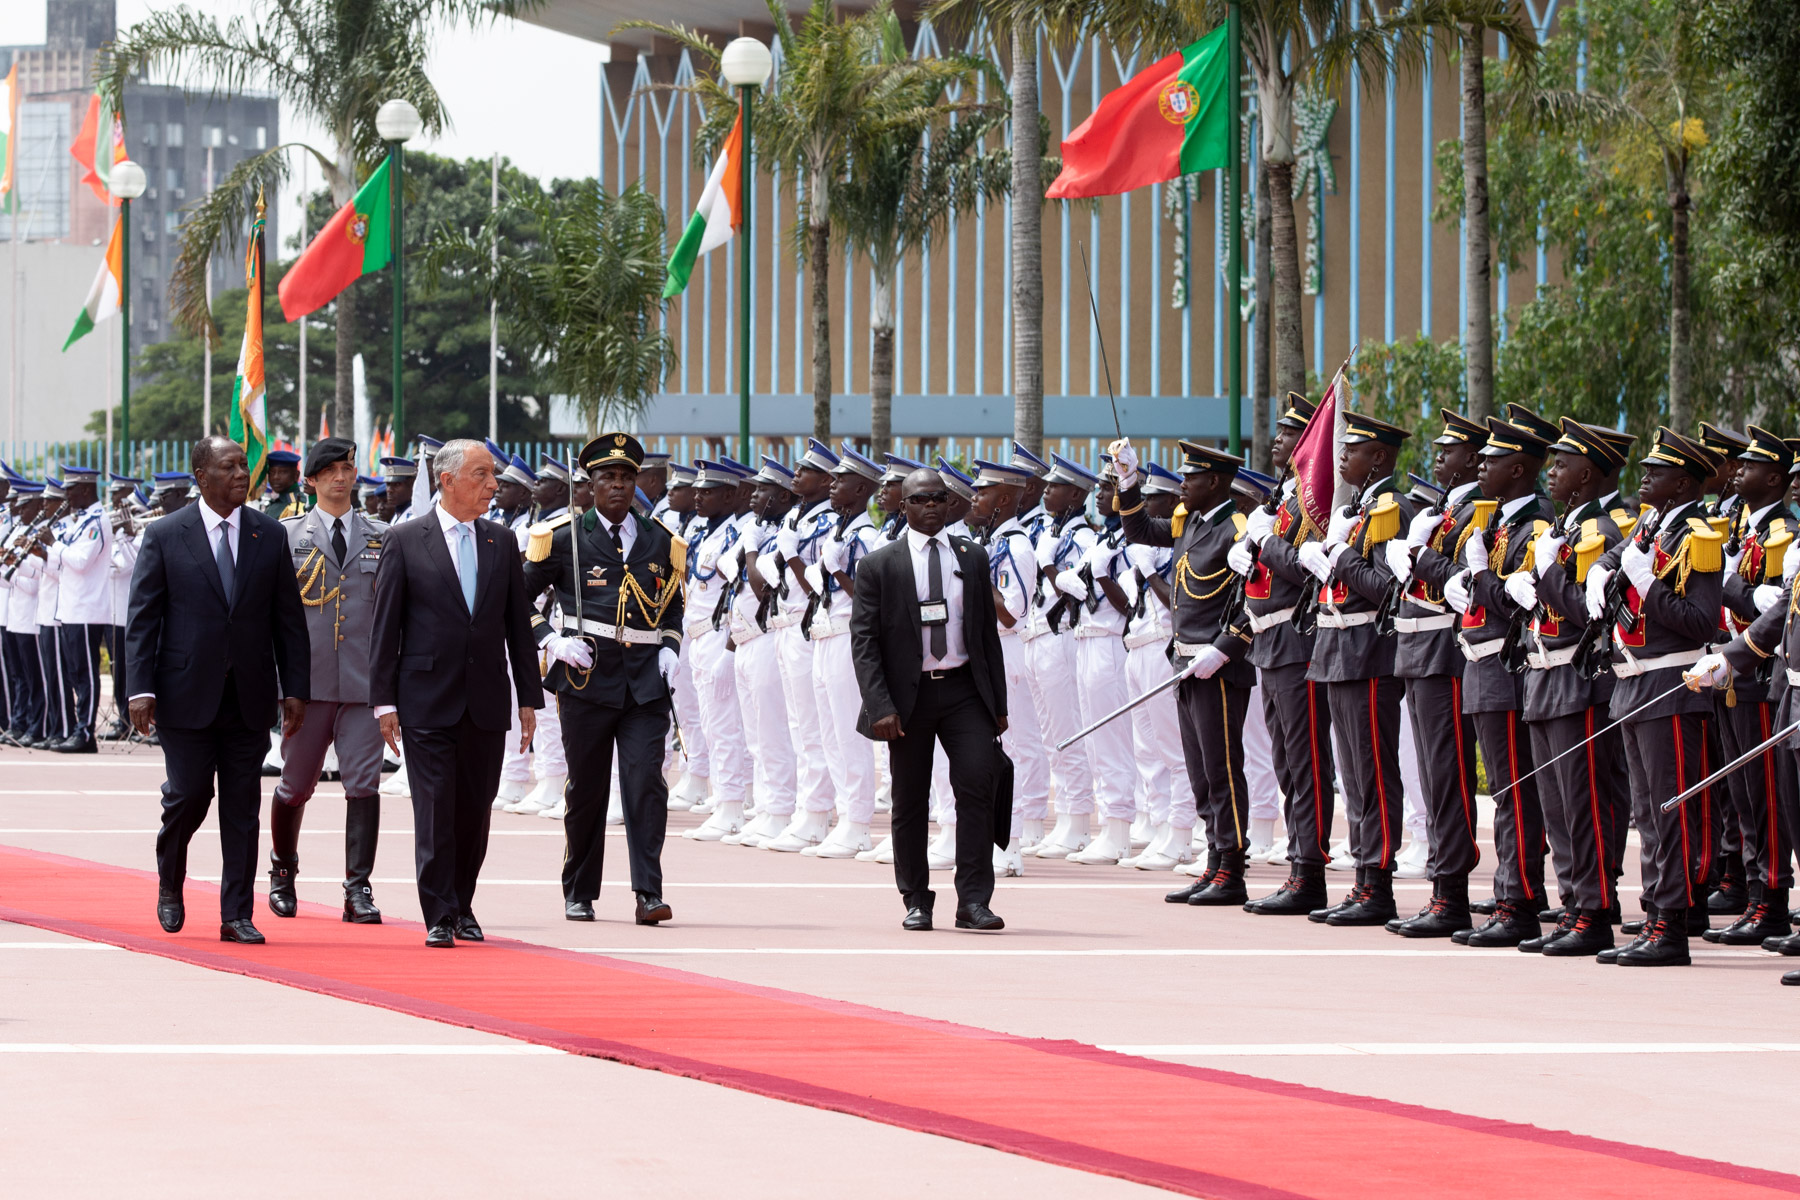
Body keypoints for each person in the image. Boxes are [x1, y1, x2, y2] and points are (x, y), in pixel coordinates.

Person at [127, 436, 310, 944]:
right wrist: (140, 688)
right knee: (187, 796)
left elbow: (288, 620)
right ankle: (170, 880)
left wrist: (295, 687)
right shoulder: (166, 534)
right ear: (200, 475)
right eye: (228, 466)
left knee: (242, 808)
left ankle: (236, 914)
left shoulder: (268, 535)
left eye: (242, 466)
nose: (240, 474)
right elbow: (143, 618)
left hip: (249, 696)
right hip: (184, 693)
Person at [369, 438, 543, 948]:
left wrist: (529, 698)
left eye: (493, 476)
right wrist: (385, 703)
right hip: (425, 699)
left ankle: (463, 902)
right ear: (446, 480)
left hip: (487, 699)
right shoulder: (404, 540)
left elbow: (518, 625)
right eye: (482, 474)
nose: (493, 485)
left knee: (475, 808)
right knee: (435, 808)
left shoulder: (500, 542)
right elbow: (385, 628)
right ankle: (439, 912)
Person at [521, 433, 686, 925]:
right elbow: (517, 600)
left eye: (625, 477)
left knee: (644, 786)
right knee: (587, 789)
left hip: (644, 685)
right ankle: (580, 890)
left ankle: (648, 893)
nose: (617, 486)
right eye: (606, 478)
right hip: (587, 678)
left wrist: (671, 647)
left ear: (636, 483)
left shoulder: (660, 541)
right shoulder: (564, 538)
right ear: (588, 485)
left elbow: (673, 605)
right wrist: (550, 640)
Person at [1585, 426, 1725, 967]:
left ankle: (1671, 926)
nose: (1644, 478)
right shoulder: (1650, 525)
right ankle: (1655, 915)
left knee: (1670, 810)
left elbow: (1700, 622)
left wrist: (1647, 583)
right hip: (1634, 681)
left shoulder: (1697, 536)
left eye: (1657, 472)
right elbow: (1612, 558)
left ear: (1684, 483)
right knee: (1647, 810)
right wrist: (1602, 571)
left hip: (1670, 685)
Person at [851, 467, 1008, 933]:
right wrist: (880, 706)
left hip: (964, 692)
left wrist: (997, 705)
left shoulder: (972, 557)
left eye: (939, 498)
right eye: (921, 500)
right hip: (907, 698)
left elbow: (986, 635)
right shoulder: (880, 564)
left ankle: (974, 901)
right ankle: (916, 900)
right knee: (910, 801)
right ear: (904, 507)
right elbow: (864, 642)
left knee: (978, 789)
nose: (932, 506)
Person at [1113, 438, 1257, 903]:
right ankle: (1214, 860)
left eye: (1190, 478)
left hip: (1216, 666)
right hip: (1184, 661)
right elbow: (1137, 529)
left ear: (1214, 482)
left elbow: (1253, 601)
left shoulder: (1238, 529)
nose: (1181, 485)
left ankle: (1232, 868)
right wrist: (1128, 480)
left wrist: (1224, 649)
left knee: (1222, 768)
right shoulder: (1190, 521)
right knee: (1200, 770)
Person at [1509, 418, 1632, 956]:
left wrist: (1547, 573)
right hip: (1544, 676)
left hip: (1579, 682)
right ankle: (1574, 904)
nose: (1552, 473)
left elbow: (1588, 611)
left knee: (1585, 804)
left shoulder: (1601, 533)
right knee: (1558, 806)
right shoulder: (1561, 532)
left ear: (1588, 476)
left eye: (1562, 465)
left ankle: (1595, 912)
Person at [1296, 412, 1417, 926]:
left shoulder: (1391, 511)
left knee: (1372, 773)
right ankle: (1364, 879)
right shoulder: (1361, 509)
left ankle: (1378, 883)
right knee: (1353, 775)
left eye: (1355, 450)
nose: (1341, 457)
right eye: (1343, 448)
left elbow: (1388, 588)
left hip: (1369, 654)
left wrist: (1342, 556)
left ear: (1381, 459)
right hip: (1340, 652)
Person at [267, 437, 390, 924]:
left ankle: (357, 888)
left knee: (363, 785)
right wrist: (281, 685)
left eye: (347, 468)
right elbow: (274, 615)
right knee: (295, 783)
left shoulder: (382, 536)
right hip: (308, 684)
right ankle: (282, 872)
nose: (341, 477)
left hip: (362, 685)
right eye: (330, 470)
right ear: (311, 480)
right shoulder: (287, 535)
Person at [1381, 410, 1486, 935]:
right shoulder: (1443, 508)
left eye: (1451, 451)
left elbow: (1465, 580)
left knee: (1450, 777)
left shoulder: (1474, 513)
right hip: (1417, 652)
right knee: (1430, 776)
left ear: (1473, 459)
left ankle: (1454, 894)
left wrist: (1419, 557)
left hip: (1446, 653)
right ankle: (1442, 888)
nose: (1438, 457)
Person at [45, 464, 110, 753]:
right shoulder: (78, 521)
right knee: (75, 674)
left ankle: (85, 734)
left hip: (87, 609)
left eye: (70, 490)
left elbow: (81, 562)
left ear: (85, 489)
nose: (67, 496)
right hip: (71, 609)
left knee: (86, 675)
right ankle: (76, 729)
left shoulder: (97, 521)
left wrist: (53, 545)